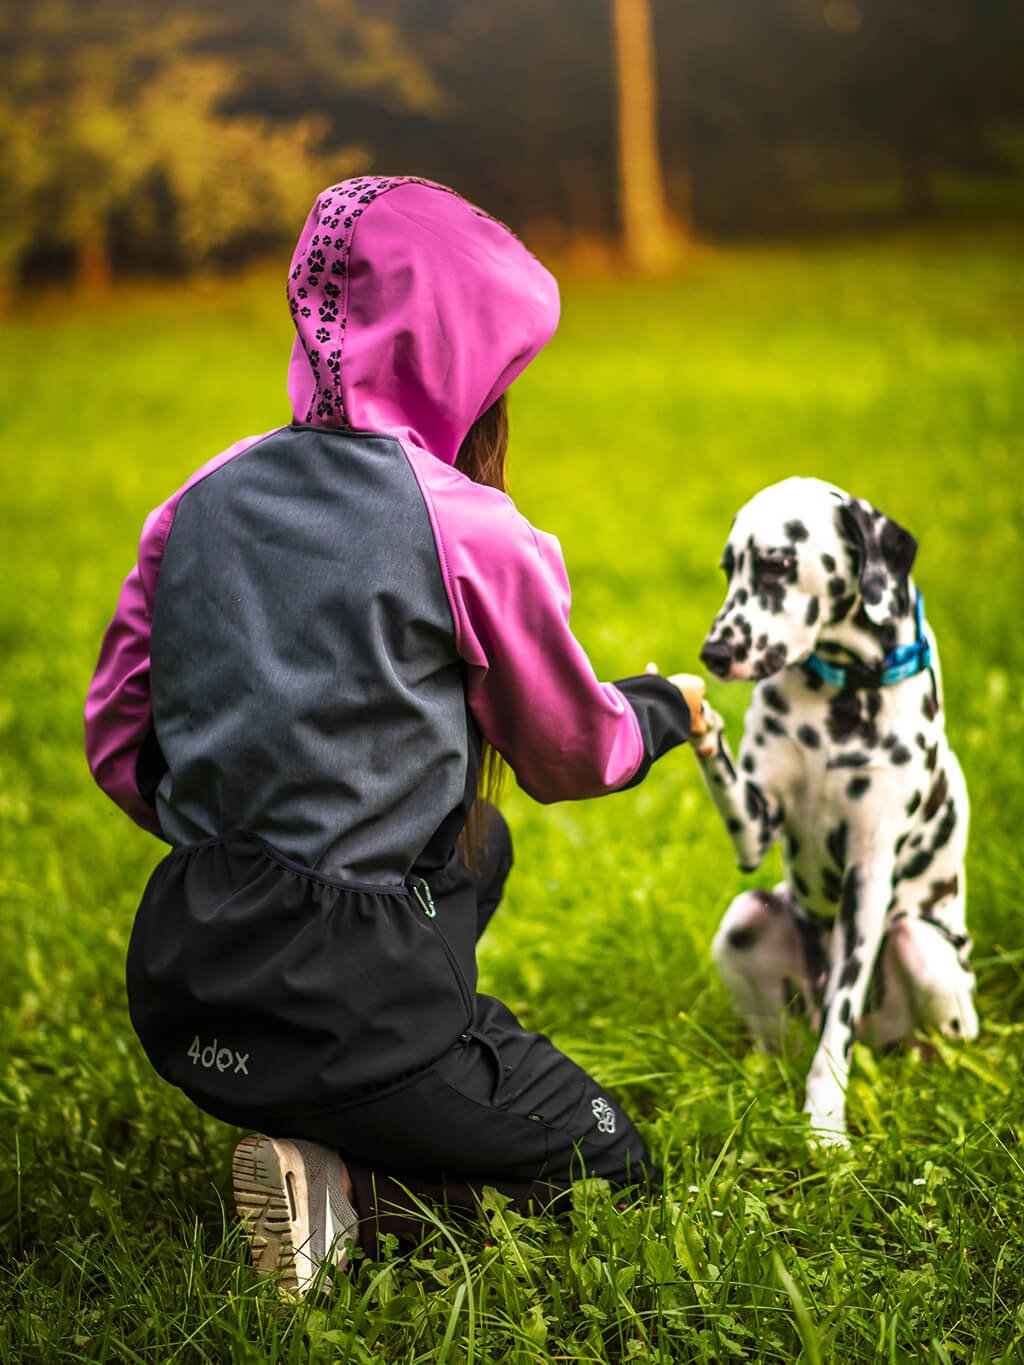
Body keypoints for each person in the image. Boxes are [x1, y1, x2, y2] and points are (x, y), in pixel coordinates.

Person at [85, 175, 708, 1296]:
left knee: (482, 844)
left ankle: (365, 1089)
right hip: (344, 1003)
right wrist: (661, 708)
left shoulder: (201, 496)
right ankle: (355, 1188)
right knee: (616, 1169)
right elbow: (571, 755)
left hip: (188, 979)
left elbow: (118, 744)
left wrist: (252, 831)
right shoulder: (468, 526)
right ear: (466, 356)